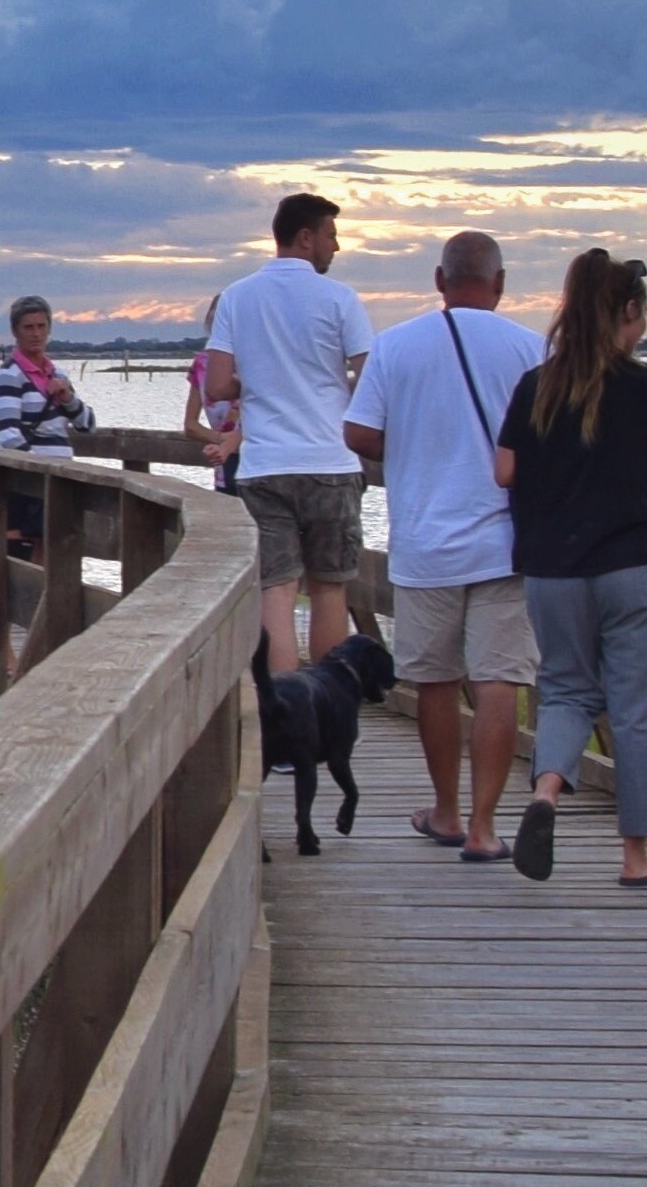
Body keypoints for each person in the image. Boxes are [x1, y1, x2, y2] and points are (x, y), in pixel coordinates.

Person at [497, 245, 647, 890]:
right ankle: (636, 858)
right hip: (631, 565)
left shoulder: (536, 387)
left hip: (553, 571)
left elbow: (504, 470)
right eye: (643, 315)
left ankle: (546, 794)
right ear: (628, 310)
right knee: (636, 707)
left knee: (566, 690)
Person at [343, 231, 542, 858]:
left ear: (438, 279)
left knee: (433, 680)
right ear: (500, 283)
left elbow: (358, 433)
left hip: (426, 540)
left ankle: (447, 812)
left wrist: (411, 444)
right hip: (508, 543)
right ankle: (485, 828)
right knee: (497, 681)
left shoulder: (395, 346)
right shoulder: (534, 349)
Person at [189, 191, 373, 676]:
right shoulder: (340, 299)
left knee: (277, 592)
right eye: (331, 235)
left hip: (265, 465)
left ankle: (285, 726)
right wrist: (328, 381)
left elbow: (217, 386)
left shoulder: (237, 297)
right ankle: (330, 708)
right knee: (330, 588)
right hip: (330, 462)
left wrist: (260, 378)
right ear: (305, 237)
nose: (337, 246)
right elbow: (370, 377)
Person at [0, 293, 97, 551]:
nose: (36, 334)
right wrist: (43, 474)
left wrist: (67, 397)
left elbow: (88, 425)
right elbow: (9, 436)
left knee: (56, 548)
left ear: (49, 329)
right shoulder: (8, 376)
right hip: (27, 479)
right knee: (25, 551)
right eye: (28, 327)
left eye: (41, 326)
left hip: (61, 478)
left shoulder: (58, 374)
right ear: (15, 331)